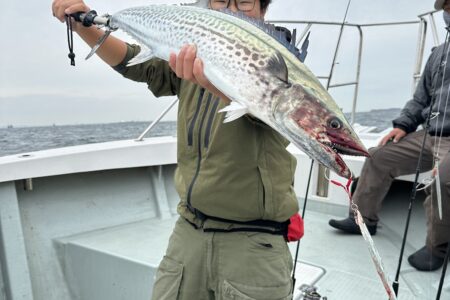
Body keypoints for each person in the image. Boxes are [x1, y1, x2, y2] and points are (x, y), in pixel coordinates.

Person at [52, 0, 302, 299]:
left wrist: (212, 78)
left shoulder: (283, 67)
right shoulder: (194, 53)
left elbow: (274, 110)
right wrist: (84, 27)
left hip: (254, 241)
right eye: (220, 1)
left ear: (263, 10)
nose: (230, 11)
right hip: (189, 227)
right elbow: (141, 66)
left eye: (245, 2)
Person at [329, 0, 450, 272]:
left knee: (442, 181)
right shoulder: (437, 54)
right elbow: (420, 100)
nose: (448, 13)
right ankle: (362, 219)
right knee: (379, 156)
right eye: (447, 7)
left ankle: (437, 247)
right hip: (429, 133)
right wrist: (403, 124)